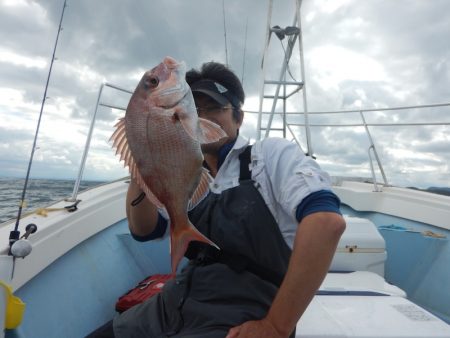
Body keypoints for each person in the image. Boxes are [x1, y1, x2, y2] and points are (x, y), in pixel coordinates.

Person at [88, 61, 345, 338]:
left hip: (240, 316)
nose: (202, 116)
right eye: (195, 108)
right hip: (171, 305)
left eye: (215, 107)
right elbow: (144, 230)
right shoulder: (185, 172)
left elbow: (325, 223)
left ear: (239, 118)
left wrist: (275, 326)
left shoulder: (269, 156)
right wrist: (143, 162)